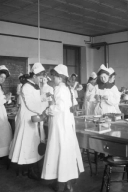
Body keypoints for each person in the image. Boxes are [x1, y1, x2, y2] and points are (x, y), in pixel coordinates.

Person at [42, 64, 84, 192]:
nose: (52, 78)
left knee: (58, 149)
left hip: (60, 124)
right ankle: (67, 181)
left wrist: (47, 110)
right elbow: (74, 105)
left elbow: (58, 107)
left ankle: (61, 182)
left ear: (59, 77)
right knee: (66, 150)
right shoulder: (68, 88)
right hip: (67, 123)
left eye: (53, 76)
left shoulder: (60, 88)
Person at [9, 63, 47, 179]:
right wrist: (45, 104)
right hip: (27, 118)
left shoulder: (33, 86)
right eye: (40, 78)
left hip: (33, 117)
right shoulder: (26, 87)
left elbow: (36, 100)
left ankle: (30, 167)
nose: (41, 80)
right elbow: (31, 105)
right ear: (34, 76)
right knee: (28, 143)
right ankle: (29, 168)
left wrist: (43, 98)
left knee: (33, 142)